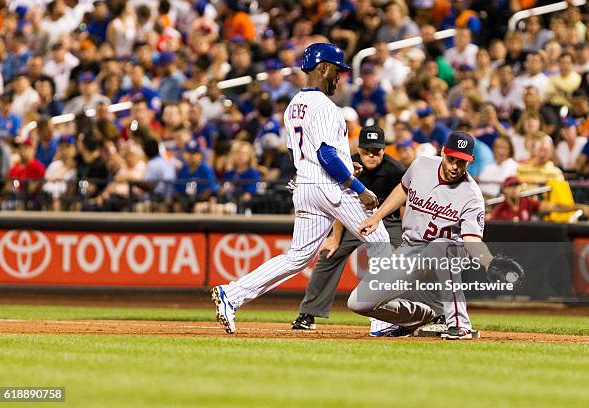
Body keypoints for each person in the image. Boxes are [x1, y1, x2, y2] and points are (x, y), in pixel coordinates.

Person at [211, 43, 390, 334]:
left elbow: (315, 153)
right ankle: (382, 321)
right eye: (337, 70)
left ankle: (232, 294)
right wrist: (358, 188)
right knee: (380, 241)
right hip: (329, 185)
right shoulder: (325, 107)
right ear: (322, 68)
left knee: (297, 256)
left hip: (305, 184)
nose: (339, 77)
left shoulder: (293, 105)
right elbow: (325, 155)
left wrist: (347, 164)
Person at [348, 132, 524, 340]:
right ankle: (420, 317)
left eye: (462, 162)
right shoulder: (421, 165)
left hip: (449, 253)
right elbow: (403, 190)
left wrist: (488, 262)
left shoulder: (472, 196)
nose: (454, 166)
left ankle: (459, 324)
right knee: (358, 302)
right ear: (442, 152)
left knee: (441, 245)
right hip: (411, 249)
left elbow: (472, 239)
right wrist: (377, 216)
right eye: (451, 159)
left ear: (471, 161)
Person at [291, 125, 406, 334]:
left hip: (388, 220)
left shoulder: (396, 170)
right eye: (366, 151)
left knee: (401, 259)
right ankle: (308, 313)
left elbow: (406, 204)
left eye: (376, 151)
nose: (371, 155)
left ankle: (398, 314)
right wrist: (335, 239)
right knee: (328, 254)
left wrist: (406, 236)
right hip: (354, 219)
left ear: (384, 149)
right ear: (359, 149)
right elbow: (339, 203)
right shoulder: (346, 165)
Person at [489, 176, 589, 222]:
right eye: (511, 186)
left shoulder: (527, 202)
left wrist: (579, 207)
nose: (514, 188)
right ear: (505, 189)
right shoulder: (500, 209)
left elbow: (554, 206)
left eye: (517, 185)